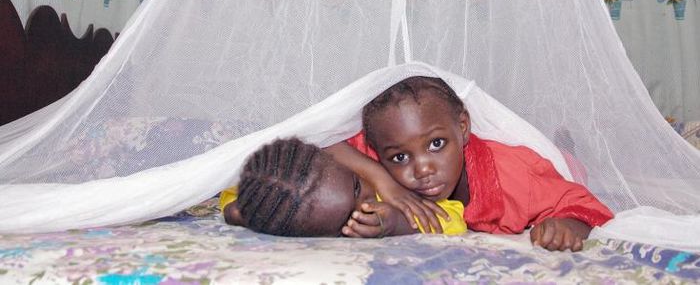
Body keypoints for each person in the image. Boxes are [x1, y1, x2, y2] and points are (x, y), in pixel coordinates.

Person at [327, 76, 614, 252]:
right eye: (401, 157)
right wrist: (383, 180)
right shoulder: (386, 143)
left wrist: (567, 226)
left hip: (544, 167)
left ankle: (565, 146)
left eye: (436, 144)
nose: (423, 169)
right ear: (377, 150)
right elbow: (323, 140)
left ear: (463, 127)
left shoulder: (515, 175)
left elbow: (587, 206)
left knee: (571, 167)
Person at [221, 137, 467, 237]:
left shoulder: (390, 190)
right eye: (347, 218)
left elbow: (453, 219)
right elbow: (241, 200)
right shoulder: (277, 197)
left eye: (357, 187)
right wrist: (395, 225)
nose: (367, 205)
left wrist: (384, 184)